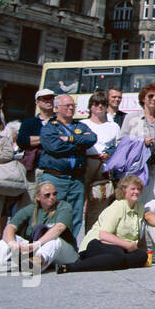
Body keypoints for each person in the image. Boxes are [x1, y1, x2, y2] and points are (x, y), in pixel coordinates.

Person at [36, 95, 97, 245]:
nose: (71, 108)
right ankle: (45, 245)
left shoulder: (80, 126)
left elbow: (91, 138)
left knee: (75, 214)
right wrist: (79, 145)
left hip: (76, 179)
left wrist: (70, 139)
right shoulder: (50, 128)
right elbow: (55, 147)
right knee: (50, 212)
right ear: (56, 108)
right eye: (67, 106)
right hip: (55, 178)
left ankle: (69, 246)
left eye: (72, 106)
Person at [64, 175, 147, 272]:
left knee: (142, 256)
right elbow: (104, 235)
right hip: (97, 243)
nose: (136, 192)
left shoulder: (139, 207)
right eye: (133, 189)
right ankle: (72, 267)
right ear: (124, 190)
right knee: (118, 256)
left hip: (120, 247)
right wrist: (127, 245)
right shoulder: (118, 206)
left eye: (138, 189)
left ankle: (113, 262)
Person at [0, 180, 80, 273]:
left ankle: (35, 263)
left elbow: (59, 227)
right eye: (47, 195)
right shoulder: (30, 209)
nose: (52, 197)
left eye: (54, 194)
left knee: (55, 241)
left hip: (65, 254)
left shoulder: (63, 206)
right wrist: (12, 243)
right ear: (38, 197)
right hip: (38, 249)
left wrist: (37, 244)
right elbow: (10, 227)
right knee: (8, 241)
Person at [121, 83, 155, 208]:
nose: (154, 99)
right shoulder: (131, 118)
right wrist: (141, 142)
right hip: (137, 169)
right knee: (134, 203)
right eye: (150, 96)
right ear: (143, 98)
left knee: (152, 205)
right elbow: (121, 142)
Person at [83, 92, 121, 232]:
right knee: (81, 204)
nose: (100, 106)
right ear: (90, 106)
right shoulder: (83, 124)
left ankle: (92, 235)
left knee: (99, 204)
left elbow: (118, 147)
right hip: (85, 166)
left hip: (104, 168)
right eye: (96, 103)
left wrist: (109, 154)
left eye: (103, 104)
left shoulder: (114, 126)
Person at [16, 89, 57, 180]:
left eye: (51, 98)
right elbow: (22, 141)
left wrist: (35, 140)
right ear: (37, 102)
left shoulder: (61, 121)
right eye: (45, 98)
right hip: (34, 168)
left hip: (55, 169)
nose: (49, 101)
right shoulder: (29, 122)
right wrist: (50, 138)